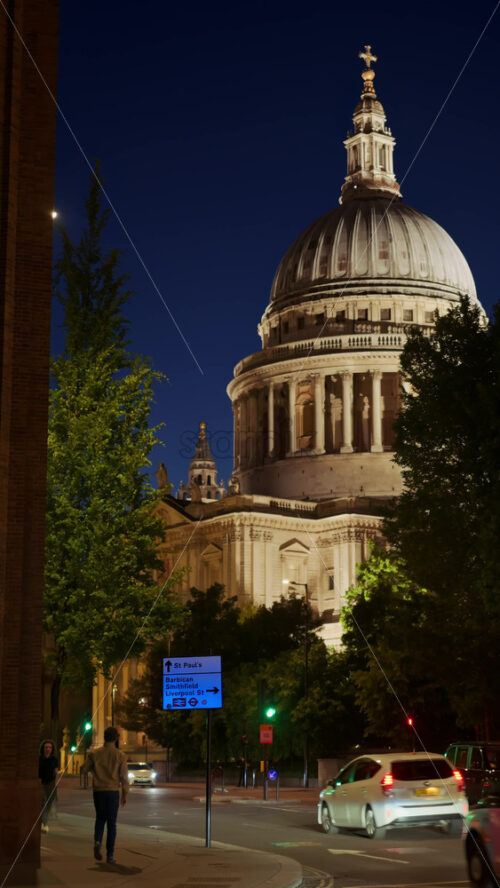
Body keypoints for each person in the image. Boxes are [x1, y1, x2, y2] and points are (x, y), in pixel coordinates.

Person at [81, 726, 129, 864]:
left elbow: (83, 770)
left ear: (104, 737)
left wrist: (93, 769)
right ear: (116, 739)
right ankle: (110, 855)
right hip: (113, 792)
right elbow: (124, 777)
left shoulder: (95, 754)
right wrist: (125, 794)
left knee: (100, 819)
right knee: (112, 823)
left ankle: (97, 842)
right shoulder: (120, 755)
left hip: (99, 791)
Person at [38, 739, 59, 832]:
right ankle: (43, 823)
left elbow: (56, 772)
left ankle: (44, 823)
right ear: (43, 748)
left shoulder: (54, 759)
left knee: (48, 804)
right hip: (41, 783)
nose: (48, 749)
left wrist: (56, 784)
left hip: (51, 784)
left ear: (52, 749)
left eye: (50, 747)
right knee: (43, 803)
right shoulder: (39, 759)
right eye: (46, 747)